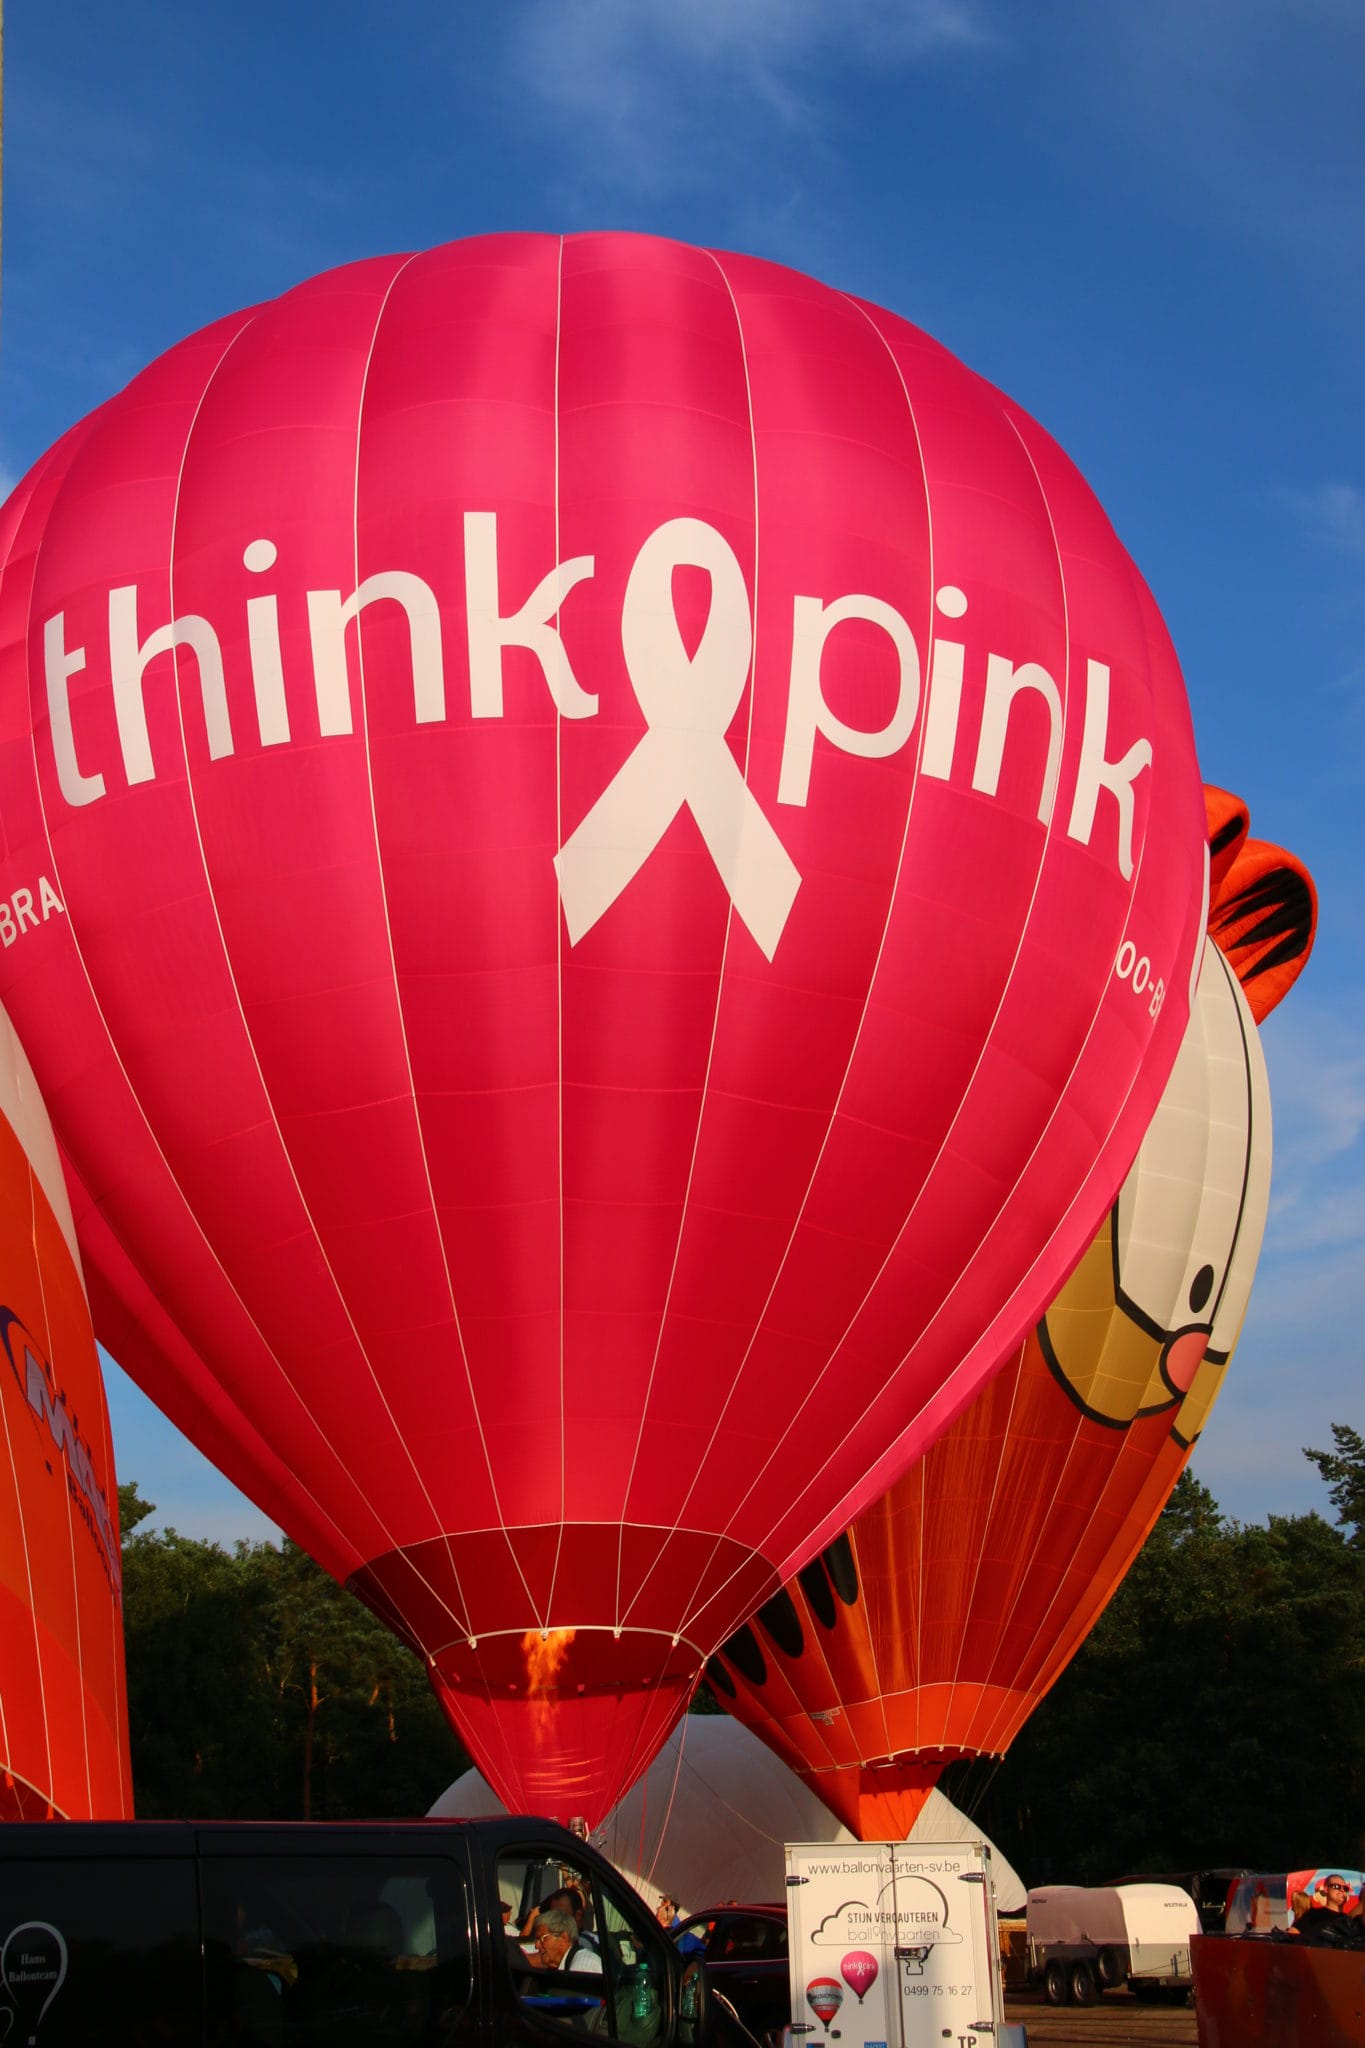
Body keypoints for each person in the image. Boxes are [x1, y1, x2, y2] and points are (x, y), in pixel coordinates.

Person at [528, 1909, 603, 1975]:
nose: (536, 1946)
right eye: (536, 1940)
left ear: (564, 1938)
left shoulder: (582, 1966)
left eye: (542, 1939)